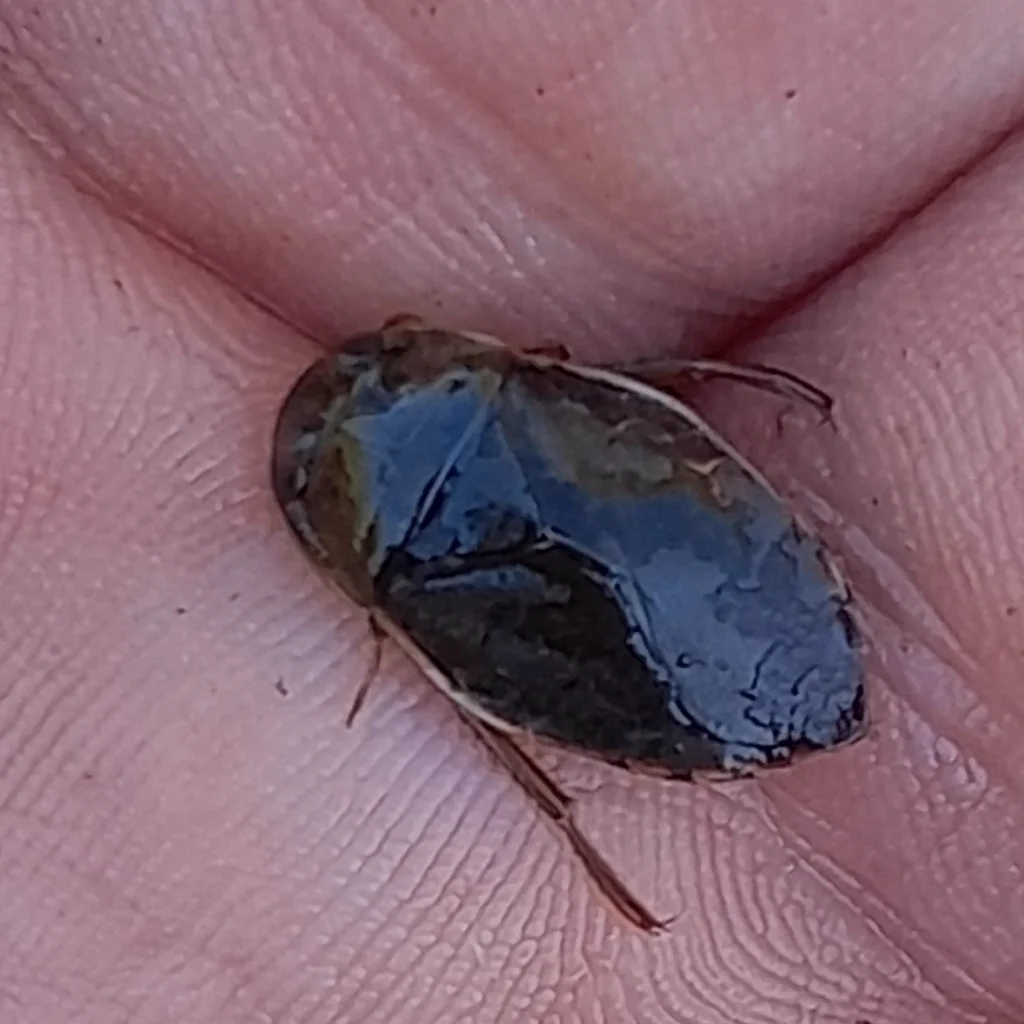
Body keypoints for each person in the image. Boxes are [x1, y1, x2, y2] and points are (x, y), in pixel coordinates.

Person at [1, 5, 1021, 1022]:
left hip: (666, 617)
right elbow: (637, 406)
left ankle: (589, 801)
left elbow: (481, 675)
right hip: (682, 566)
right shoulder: (500, 398)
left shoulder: (413, 554)